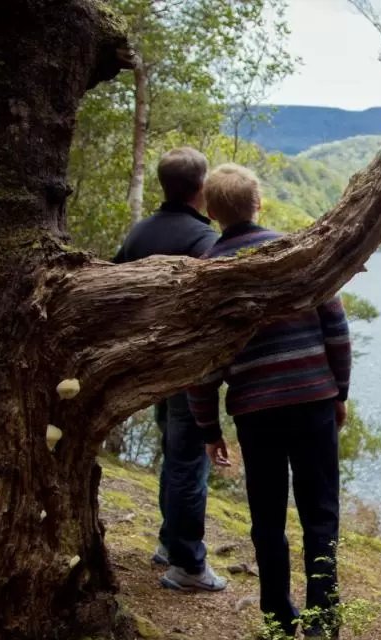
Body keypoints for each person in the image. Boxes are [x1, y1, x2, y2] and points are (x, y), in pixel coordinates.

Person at [187, 163, 351, 640]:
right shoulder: (297, 255)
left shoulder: (208, 272)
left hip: (255, 412)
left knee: (266, 519)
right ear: (259, 202)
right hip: (313, 402)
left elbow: (203, 363)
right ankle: (323, 630)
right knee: (320, 516)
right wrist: (338, 392)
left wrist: (208, 426)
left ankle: (279, 624)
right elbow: (337, 330)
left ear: (211, 212)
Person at [113, 147, 226, 593]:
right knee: (187, 463)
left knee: (174, 454)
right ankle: (188, 564)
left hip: (150, 364)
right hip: (187, 369)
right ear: (202, 188)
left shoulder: (138, 234)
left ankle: (168, 542)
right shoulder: (204, 243)